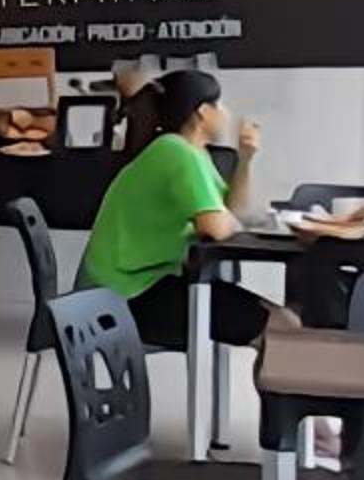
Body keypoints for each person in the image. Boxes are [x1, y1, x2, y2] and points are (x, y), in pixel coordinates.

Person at [79, 68, 267, 353]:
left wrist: (246, 160)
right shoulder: (175, 152)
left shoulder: (194, 153)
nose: (226, 113)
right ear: (202, 112)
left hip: (147, 285)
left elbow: (233, 210)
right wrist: (231, 221)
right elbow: (216, 227)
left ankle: (290, 377)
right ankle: (295, 380)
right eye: (219, 105)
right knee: (274, 327)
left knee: (279, 321)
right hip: (124, 298)